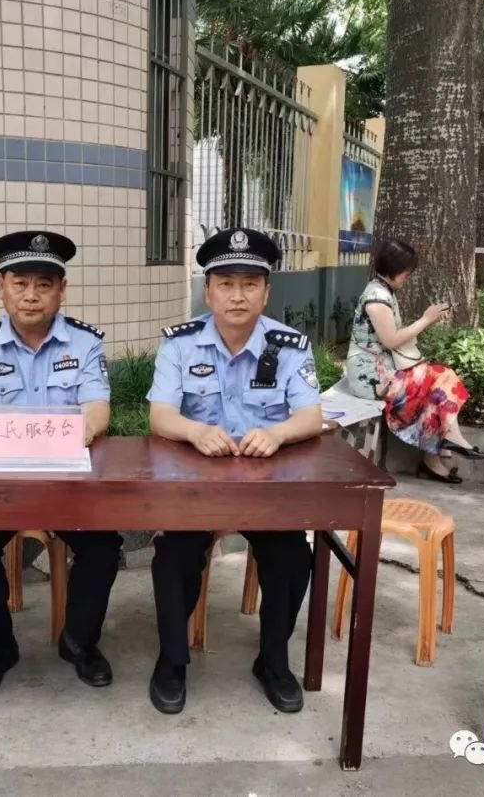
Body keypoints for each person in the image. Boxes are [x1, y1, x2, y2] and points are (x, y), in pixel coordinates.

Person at [145, 227, 323, 716]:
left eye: (249, 284)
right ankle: (172, 661)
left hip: (265, 489)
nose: (237, 295)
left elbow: (311, 416)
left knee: (292, 556)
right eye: (225, 284)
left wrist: (279, 434)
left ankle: (273, 661)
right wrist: (194, 431)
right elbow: (160, 416)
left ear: (266, 291)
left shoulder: (290, 346)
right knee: (173, 557)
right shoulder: (180, 344)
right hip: (197, 487)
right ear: (208, 292)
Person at [0, 230, 120, 699]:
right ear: (1, 287)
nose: (31, 295)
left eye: (44, 285)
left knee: (104, 549)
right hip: (1, 485)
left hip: (66, 483)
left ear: (62, 290)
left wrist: (82, 430)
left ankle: (79, 642)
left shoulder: (84, 342)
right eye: (20, 283)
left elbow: (97, 408)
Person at [344, 238, 484, 484]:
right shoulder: (377, 298)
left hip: (385, 370)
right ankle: (444, 445)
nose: (407, 278)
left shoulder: (382, 290)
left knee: (439, 381)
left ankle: (438, 454)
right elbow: (390, 340)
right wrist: (426, 319)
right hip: (371, 377)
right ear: (395, 269)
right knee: (441, 378)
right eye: (406, 273)